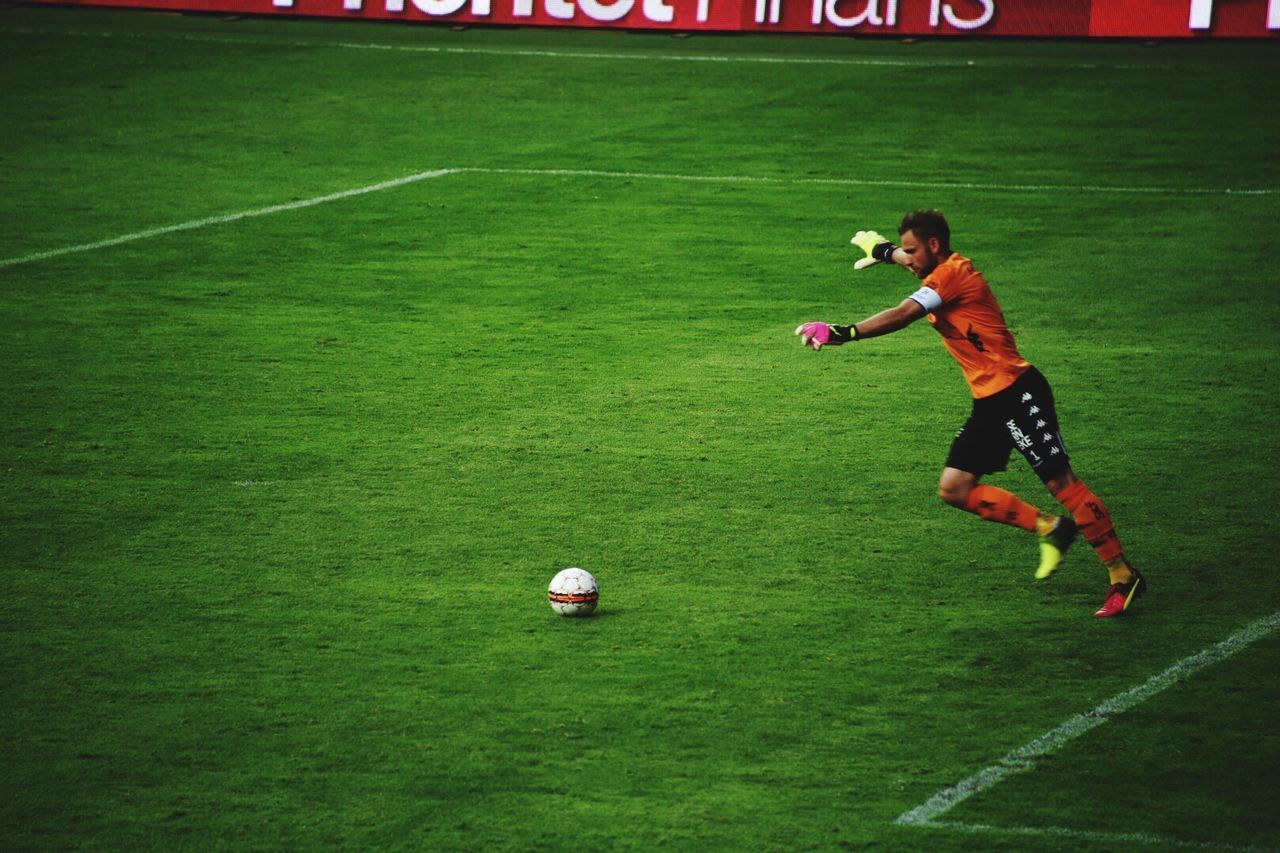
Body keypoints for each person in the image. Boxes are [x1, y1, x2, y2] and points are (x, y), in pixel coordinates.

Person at [795, 210, 1145, 618]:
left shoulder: (952, 275)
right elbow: (909, 262)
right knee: (954, 489)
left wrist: (844, 332)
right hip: (989, 401)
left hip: (1017, 391)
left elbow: (905, 314)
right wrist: (885, 251)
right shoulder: (931, 263)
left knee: (1062, 483)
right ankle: (1051, 528)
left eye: (913, 251)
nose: (909, 260)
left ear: (934, 246)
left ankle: (1122, 574)